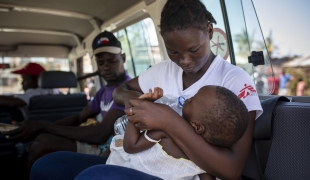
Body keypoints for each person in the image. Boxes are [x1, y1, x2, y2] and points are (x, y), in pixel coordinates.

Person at [30, 0, 263, 179]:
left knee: (94, 177)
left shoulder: (234, 79)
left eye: (193, 49)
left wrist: (168, 120)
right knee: (46, 167)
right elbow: (119, 91)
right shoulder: (162, 71)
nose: (183, 60)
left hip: (177, 173)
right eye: (173, 52)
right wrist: (138, 102)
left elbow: (232, 170)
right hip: (137, 161)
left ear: (210, 32)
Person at [2, 30, 131, 176]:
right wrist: (41, 126)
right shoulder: (103, 91)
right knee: (40, 140)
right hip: (98, 144)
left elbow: (100, 133)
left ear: (123, 58)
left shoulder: (127, 89)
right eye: (101, 62)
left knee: (43, 143)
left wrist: (43, 127)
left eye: (112, 60)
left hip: (111, 150)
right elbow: (78, 118)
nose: (106, 67)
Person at [102, 85, 249, 180]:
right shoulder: (205, 162)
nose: (188, 98)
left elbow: (130, 146)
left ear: (198, 127)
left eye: (192, 100)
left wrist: (141, 108)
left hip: (126, 168)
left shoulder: (165, 133)